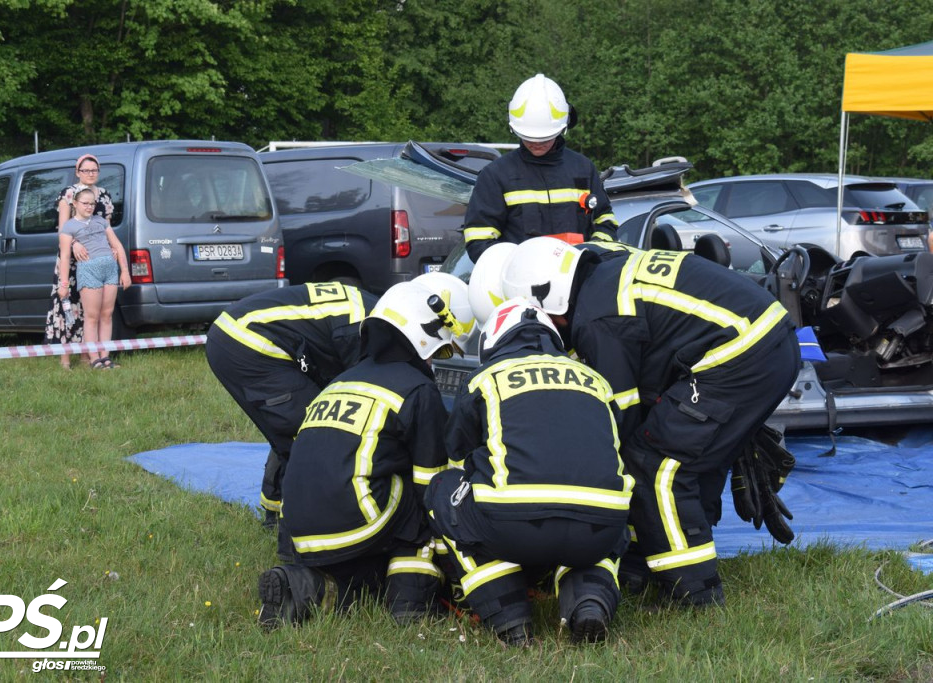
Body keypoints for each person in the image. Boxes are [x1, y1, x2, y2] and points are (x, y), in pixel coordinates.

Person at [500, 236, 800, 608]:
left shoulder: (598, 320)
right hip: (766, 339)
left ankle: (695, 595)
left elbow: (618, 422)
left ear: (547, 303)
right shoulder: (603, 264)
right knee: (681, 452)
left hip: (741, 355)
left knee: (657, 464)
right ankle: (642, 567)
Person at [256, 278, 476, 629]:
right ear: (423, 335)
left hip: (298, 529)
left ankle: (303, 585)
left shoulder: (340, 380)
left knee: (362, 581)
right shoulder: (418, 390)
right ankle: (411, 604)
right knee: (425, 504)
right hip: (358, 519)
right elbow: (430, 486)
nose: (436, 360)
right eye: (440, 351)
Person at [424, 298, 633, 646]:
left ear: (493, 340)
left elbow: (459, 449)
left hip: (511, 526)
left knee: (444, 488)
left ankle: (510, 619)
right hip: (597, 529)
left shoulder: (484, 379)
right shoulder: (596, 380)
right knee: (603, 511)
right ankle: (590, 603)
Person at [204, 282, 379, 548]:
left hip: (235, 333)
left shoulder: (367, 308)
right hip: (250, 345)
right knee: (311, 432)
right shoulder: (362, 329)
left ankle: (274, 509)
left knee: (289, 427)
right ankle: (295, 531)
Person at [462, 74, 617, 263]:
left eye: (544, 138)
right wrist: (515, 267)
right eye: (528, 137)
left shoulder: (583, 169)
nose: (536, 143)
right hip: (519, 286)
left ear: (562, 128)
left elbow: (605, 222)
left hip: (578, 281)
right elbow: (478, 240)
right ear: (515, 129)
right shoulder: (496, 176)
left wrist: (591, 255)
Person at [45, 153, 116, 369]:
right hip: (71, 257)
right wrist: (75, 244)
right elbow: (63, 228)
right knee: (67, 306)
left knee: (91, 311)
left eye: (94, 170)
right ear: (78, 172)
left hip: (97, 258)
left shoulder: (104, 196)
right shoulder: (67, 194)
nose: (90, 174)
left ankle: (91, 357)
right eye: (86, 170)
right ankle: (65, 359)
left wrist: (111, 249)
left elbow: (107, 228)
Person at [57, 188, 131, 369]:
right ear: (75, 204)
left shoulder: (101, 221)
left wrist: (125, 271)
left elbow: (117, 245)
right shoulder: (69, 227)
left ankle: (106, 357)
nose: (89, 207)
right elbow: (65, 256)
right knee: (92, 316)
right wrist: (64, 283)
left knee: (107, 315)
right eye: (85, 203)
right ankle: (94, 358)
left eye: (92, 204)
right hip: (89, 271)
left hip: (110, 270)